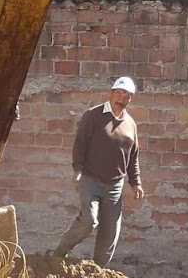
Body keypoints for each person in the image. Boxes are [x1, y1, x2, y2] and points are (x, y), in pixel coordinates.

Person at [52, 76, 145, 265]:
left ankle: (98, 270)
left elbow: (133, 156)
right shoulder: (93, 116)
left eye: (126, 95)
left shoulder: (130, 124)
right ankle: (59, 254)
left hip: (115, 184)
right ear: (110, 93)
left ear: (130, 99)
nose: (121, 97)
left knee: (110, 230)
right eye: (118, 93)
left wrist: (136, 183)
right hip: (91, 178)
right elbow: (80, 144)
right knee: (89, 221)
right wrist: (77, 169)